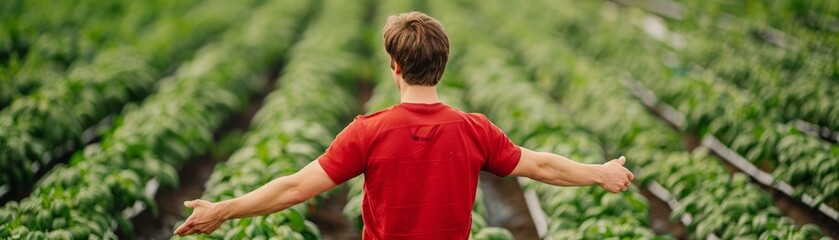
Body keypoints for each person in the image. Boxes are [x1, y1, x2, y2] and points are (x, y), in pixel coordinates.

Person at [173, 11, 633, 239]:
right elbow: (541, 167)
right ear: (443, 64)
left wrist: (223, 209)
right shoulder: (473, 129)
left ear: (394, 66)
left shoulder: (367, 131)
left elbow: (295, 188)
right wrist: (600, 172)